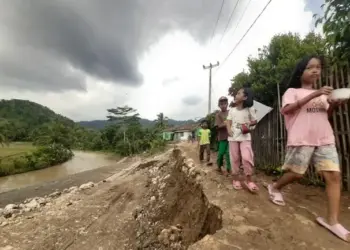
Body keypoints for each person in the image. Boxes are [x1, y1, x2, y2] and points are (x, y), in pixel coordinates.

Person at [267, 55, 349, 242]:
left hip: (324, 138)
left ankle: (333, 221)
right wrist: (315, 94)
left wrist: (334, 105)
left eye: (318, 67)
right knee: (296, 173)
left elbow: (325, 115)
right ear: (300, 71)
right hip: (302, 138)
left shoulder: (324, 95)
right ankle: (275, 186)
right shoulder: (292, 91)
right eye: (310, 67)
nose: (315, 70)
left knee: (334, 176)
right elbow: (286, 110)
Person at [226, 86, 258, 192]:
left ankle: (249, 180)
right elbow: (228, 121)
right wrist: (229, 131)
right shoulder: (232, 110)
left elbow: (254, 122)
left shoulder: (250, 109)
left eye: (239, 93)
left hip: (245, 137)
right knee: (234, 158)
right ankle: (235, 179)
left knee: (247, 157)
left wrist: (248, 127)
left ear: (245, 97)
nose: (236, 95)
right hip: (233, 137)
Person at [215, 96, 231, 174]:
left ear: (227, 104)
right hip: (222, 137)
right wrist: (226, 123)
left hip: (230, 136)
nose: (223, 105)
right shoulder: (218, 115)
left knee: (228, 153)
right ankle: (219, 166)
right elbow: (218, 126)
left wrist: (226, 123)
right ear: (219, 105)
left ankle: (229, 168)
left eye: (225, 103)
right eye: (221, 104)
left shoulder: (230, 112)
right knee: (221, 153)